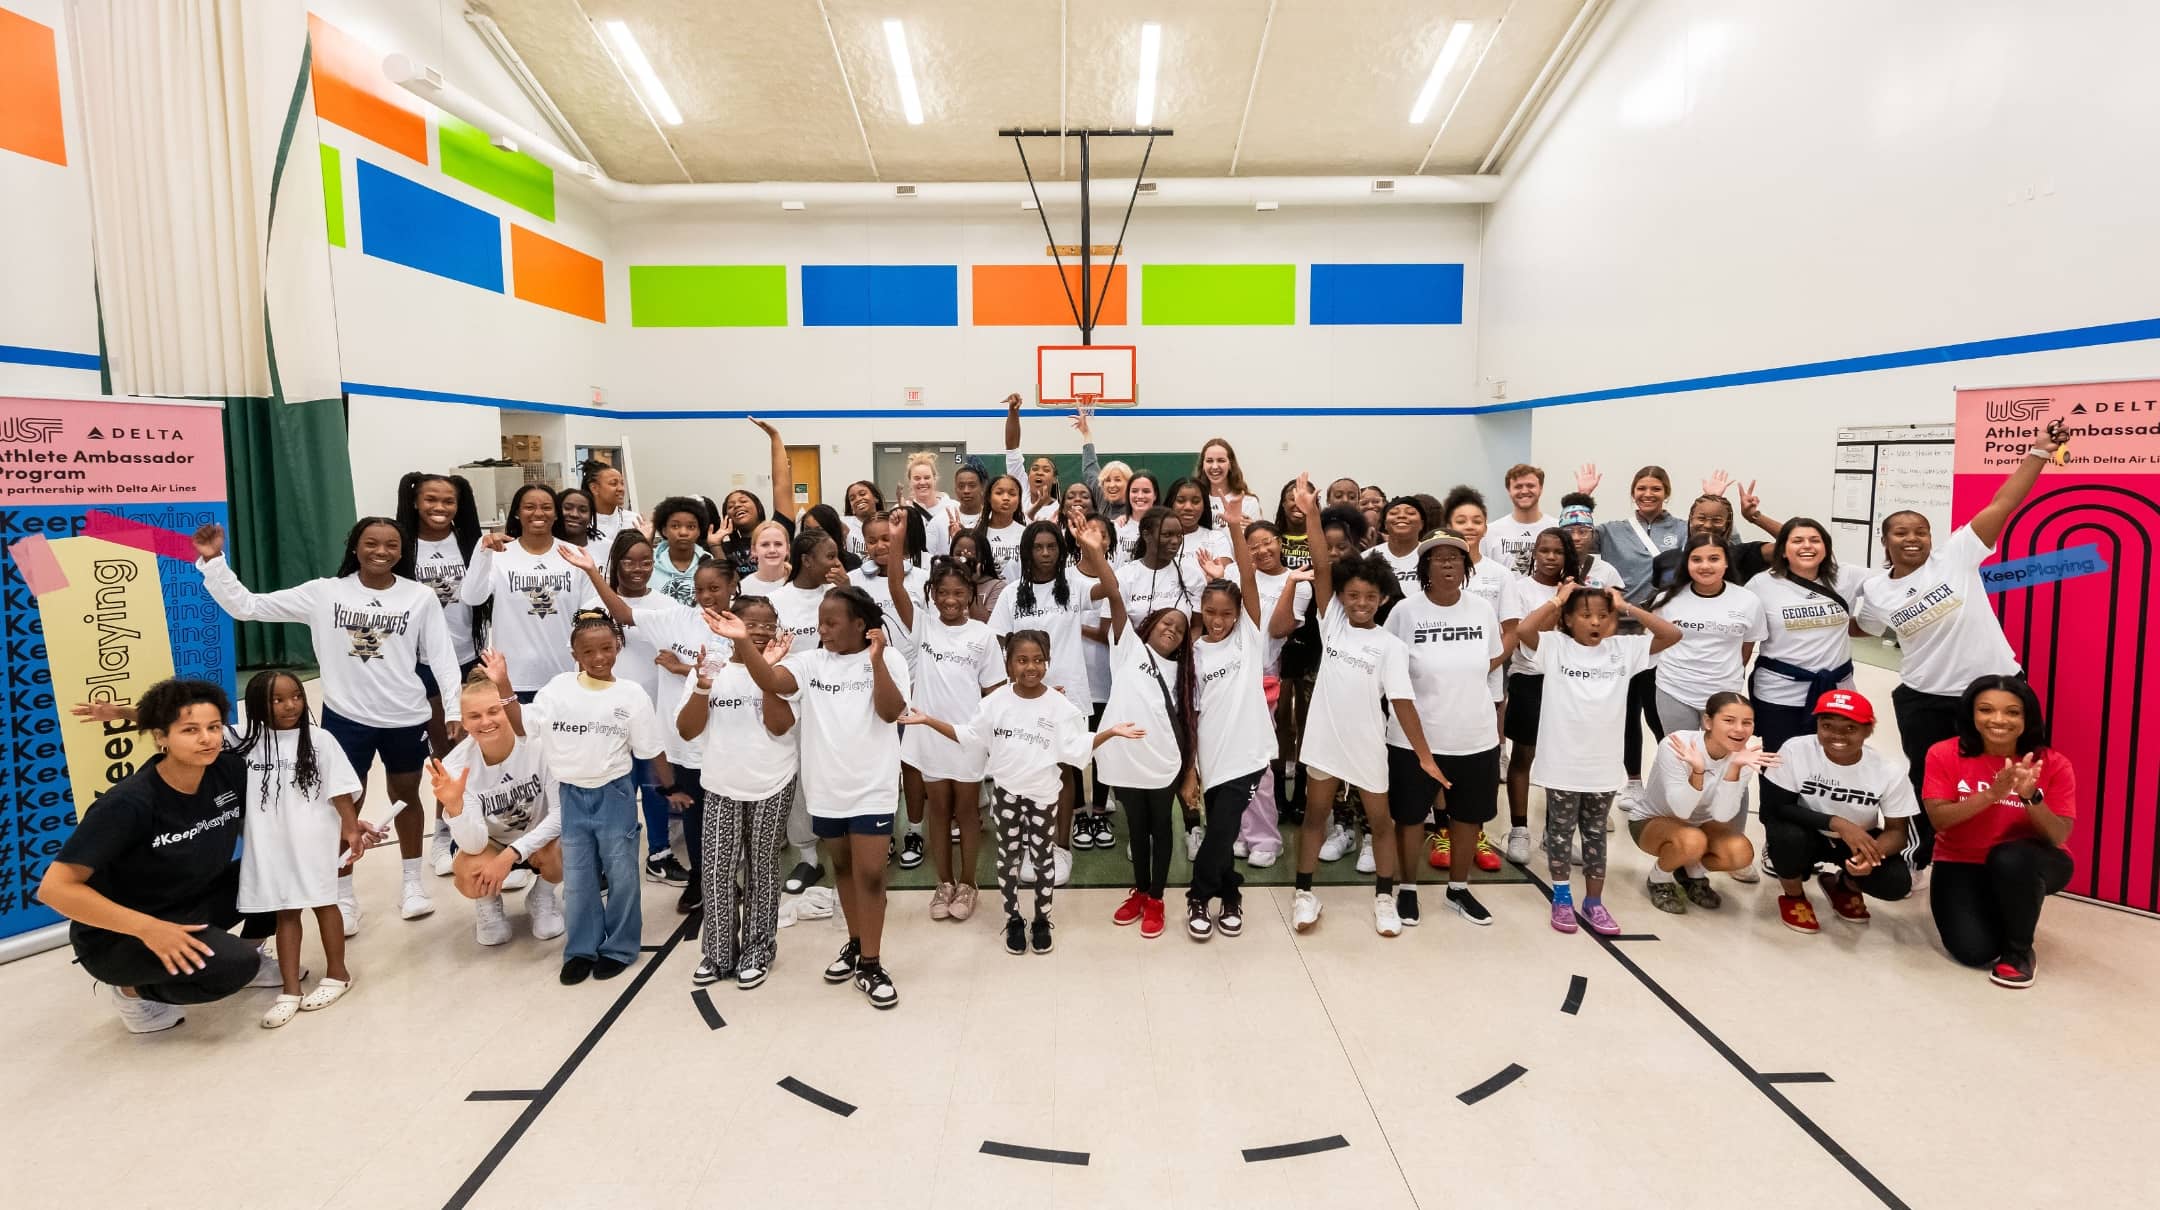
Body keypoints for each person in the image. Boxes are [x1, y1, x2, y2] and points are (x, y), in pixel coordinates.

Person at [195, 517, 461, 926]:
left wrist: (454, 709)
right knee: (345, 805)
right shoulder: (324, 593)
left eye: (391, 545)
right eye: (371, 543)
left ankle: (412, 883)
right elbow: (247, 607)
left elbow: (442, 657)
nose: (381, 551)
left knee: (406, 795)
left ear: (402, 551)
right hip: (347, 717)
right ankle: (343, 893)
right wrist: (215, 562)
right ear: (354, 546)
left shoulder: (419, 597)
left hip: (405, 715)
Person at [44, 680, 332, 1033]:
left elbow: (276, 817)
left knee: (282, 867)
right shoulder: (128, 803)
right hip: (121, 936)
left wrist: (340, 825)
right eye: (190, 730)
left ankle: (249, 952)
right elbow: (55, 889)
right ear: (160, 737)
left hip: (189, 900)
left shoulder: (227, 771)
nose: (207, 739)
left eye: (214, 727)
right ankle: (131, 991)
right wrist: (148, 929)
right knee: (233, 967)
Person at [1856, 419, 2068, 864]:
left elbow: (2004, 502)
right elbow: (1864, 628)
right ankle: (1921, 857)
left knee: (2017, 775)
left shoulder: (1956, 556)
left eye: (1920, 531)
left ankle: (2013, 858)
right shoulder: (1875, 590)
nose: (1912, 538)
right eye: (1901, 532)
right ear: (1885, 540)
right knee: (1928, 782)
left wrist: (2040, 452)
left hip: (1999, 688)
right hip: (1925, 697)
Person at [716, 588, 910, 1009]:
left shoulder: (889, 659)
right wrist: (743, 641)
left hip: (872, 789)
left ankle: (872, 964)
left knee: (871, 875)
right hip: (824, 790)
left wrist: (876, 661)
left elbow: (891, 712)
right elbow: (770, 681)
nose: (822, 630)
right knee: (843, 869)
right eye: (820, 622)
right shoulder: (809, 662)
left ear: (860, 624)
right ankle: (856, 944)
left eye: (831, 622)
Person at [903, 628, 1131, 956]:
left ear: (1047, 662)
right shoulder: (994, 703)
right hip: (1007, 796)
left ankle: (1041, 920)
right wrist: (928, 721)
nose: (1031, 667)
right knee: (1008, 858)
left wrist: (1109, 732)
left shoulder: (1059, 706)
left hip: (1043, 798)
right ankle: (1012, 918)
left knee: (1042, 860)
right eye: (1022, 660)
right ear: (1008, 664)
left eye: (1038, 660)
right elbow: (969, 735)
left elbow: (1075, 747)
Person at [1287, 475, 1444, 936]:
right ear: (1340, 597)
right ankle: (1304, 893)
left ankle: (1383, 898)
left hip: (1367, 743)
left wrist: (1425, 756)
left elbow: (1403, 703)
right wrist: (1311, 513)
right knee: (1315, 818)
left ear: (1383, 599)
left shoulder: (1390, 646)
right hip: (1324, 741)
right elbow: (1321, 563)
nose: (1360, 603)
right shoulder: (1332, 621)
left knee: (1381, 822)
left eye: (1370, 597)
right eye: (1352, 595)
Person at [1518, 582, 1683, 936]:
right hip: (1562, 762)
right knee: (1561, 830)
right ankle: (1562, 896)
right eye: (1585, 615)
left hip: (1603, 764)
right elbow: (1524, 630)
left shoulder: (1624, 649)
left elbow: (1671, 634)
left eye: (1603, 615)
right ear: (1568, 619)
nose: (1595, 622)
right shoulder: (1555, 646)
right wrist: (1558, 599)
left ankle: (1594, 901)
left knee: (1595, 832)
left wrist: (1627, 607)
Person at [527, 610, 678, 984]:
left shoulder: (631, 695)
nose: (599, 658)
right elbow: (523, 725)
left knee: (622, 874)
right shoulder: (557, 689)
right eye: (588, 652)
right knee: (579, 877)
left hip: (614, 794)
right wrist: (501, 686)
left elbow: (651, 749)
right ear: (574, 654)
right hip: (571, 795)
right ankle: (581, 949)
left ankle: (620, 947)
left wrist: (671, 787)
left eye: (607, 648)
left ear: (618, 647)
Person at [1384, 531, 1507, 927]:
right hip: (1414, 739)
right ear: (1425, 567)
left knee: (1468, 817)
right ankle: (1407, 888)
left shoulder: (1481, 610)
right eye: (1438, 558)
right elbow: (1389, 671)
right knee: (1409, 817)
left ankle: (1458, 889)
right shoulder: (1404, 612)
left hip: (1474, 736)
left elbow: (1492, 664)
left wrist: (1494, 721)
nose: (1448, 564)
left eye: (1455, 557)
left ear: (1466, 566)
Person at [1922, 676, 2076, 988]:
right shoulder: (1943, 753)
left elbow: (2057, 836)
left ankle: (2019, 952)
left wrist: (2030, 797)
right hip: (1961, 859)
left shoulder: (2053, 763)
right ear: (1971, 713)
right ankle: (2004, 909)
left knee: (2009, 858)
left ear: (2027, 717)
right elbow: (1940, 820)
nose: (1998, 720)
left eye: (2012, 712)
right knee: (1973, 951)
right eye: (1986, 709)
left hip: (2028, 861)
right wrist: (1993, 794)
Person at [229, 670, 363, 1026]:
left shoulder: (320, 739)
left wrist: (351, 829)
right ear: (258, 704)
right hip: (271, 845)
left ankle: (338, 974)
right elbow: (186, 725)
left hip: (313, 840)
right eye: (278, 700)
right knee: (286, 912)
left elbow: (340, 788)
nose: (291, 705)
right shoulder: (246, 740)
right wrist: (124, 714)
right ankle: (290, 990)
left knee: (324, 903)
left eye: (297, 696)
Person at [677, 595, 796, 989]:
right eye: (752, 623)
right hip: (721, 785)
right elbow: (687, 730)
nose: (761, 631)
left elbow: (780, 726)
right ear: (731, 625)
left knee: (762, 868)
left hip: (772, 783)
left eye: (768, 624)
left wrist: (769, 675)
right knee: (716, 871)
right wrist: (703, 686)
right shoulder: (711, 669)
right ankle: (719, 954)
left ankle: (758, 951)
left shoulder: (783, 671)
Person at [987, 519, 1115, 886]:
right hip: (1024, 696)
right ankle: (1033, 842)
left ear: (1061, 552)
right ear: (1026, 552)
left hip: (1068, 694)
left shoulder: (1072, 585)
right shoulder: (1012, 593)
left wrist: (1093, 549)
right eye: (1038, 547)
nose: (1045, 553)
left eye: (1052, 547)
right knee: (1029, 769)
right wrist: (1012, 683)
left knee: (1063, 770)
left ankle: (1060, 847)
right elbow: (998, 641)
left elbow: (1110, 587)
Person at [881, 543, 1003, 923]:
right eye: (943, 592)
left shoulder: (983, 635)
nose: (951, 600)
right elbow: (895, 587)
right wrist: (898, 542)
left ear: (970, 595)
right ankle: (944, 882)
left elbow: (994, 692)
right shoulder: (924, 626)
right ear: (932, 594)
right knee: (938, 810)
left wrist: (990, 737)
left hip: (966, 737)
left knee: (966, 811)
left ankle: (968, 883)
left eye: (959, 593)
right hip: (928, 734)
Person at [1183, 496, 1278, 940]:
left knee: (1221, 830)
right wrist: (1191, 769)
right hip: (1212, 758)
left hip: (1249, 754)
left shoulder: (1248, 639)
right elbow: (1193, 713)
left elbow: (1249, 579)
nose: (1218, 620)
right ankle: (1232, 894)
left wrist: (1236, 527)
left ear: (1238, 614)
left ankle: (1198, 896)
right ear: (1201, 611)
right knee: (1221, 832)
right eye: (1210, 612)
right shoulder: (1195, 653)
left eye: (1226, 613)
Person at [1094, 546, 1195, 941]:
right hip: (1125, 759)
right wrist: (1093, 551)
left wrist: (1190, 770)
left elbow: (1186, 721)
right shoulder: (1129, 648)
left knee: (1162, 829)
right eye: (1167, 622)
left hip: (1162, 761)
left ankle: (1156, 898)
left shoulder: (1183, 671)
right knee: (1136, 830)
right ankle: (1139, 890)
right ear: (1150, 625)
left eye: (1180, 629)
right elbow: (1115, 595)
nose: (1172, 630)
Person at [430, 656, 566, 947]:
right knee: (468, 870)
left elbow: (560, 816)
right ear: (463, 722)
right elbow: (474, 844)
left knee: (570, 847)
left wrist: (512, 854)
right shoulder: (455, 767)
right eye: (475, 716)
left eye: (494, 711)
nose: (486, 722)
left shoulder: (539, 743)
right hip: (490, 844)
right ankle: (488, 904)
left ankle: (542, 897)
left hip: (538, 839)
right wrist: (454, 807)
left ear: (507, 707)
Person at [1198, 518, 1311, 867]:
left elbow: (1275, 626)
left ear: (1280, 541)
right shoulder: (1232, 579)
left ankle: (1265, 838)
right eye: (1253, 546)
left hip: (1261, 678)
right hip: (1224, 676)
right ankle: (1238, 831)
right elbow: (1221, 606)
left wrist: (1234, 524)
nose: (1261, 550)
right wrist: (1216, 578)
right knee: (1227, 762)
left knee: (1256, 762)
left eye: (1267, 542)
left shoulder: (1297, 581)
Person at [603, 533, 712, 895]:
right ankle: (611, 862)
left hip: (660, 715)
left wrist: (681, 668)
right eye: (628, 561)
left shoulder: (666, 605)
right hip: (614, 716)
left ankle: (661, 854)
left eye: (646, 561)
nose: (638, 569)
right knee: (619, 791)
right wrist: (591, 572)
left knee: (657, 789)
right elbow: (616, 619)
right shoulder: (597, 604)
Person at [1760, 690, 1918, 934]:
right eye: (1827, 726)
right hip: (1806, 832)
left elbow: (1898, 833)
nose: (1837, 735)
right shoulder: (1795, 750)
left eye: (1850, 728)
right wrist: (1838, 823)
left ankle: (1844, 885)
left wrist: (1872, 855)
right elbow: (1777, 807)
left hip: (1856, 841)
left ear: (1868, 730)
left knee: (1896, 883)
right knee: (1785, 837)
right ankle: (1793, 896)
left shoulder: (1888, 770)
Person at [460, 486, 631, 700]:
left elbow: (592, 616)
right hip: (513, 677)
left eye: (547, 507)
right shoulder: (499, 555)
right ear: (517, 513)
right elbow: (472, 597)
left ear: (556, 514)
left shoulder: (575, 556)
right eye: (529, 507)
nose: (538, 513)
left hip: (566, 675)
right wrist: (482, 552)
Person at [396, 471, 486, 876]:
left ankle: (458, 829)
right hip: (418, 662)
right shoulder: (403, 544)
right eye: (431, 499)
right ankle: (442, 833)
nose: (439, 508)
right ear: (416, 501)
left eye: (448, 501)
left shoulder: (470, 543)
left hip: (466, 658)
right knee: (441, 752)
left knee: (464, 749)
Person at [1439, 485, 1522, 873]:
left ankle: (1477, 833)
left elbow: (1511, 629)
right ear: (1448, 525)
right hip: (1441, 685)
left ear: (1486, 526)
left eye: (1476, 520)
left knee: (1480, 760)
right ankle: (1443, 831)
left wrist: (1489, 664)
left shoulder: (1499, 575)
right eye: (1461, 520)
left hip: (1486, 682)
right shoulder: (1437, 572)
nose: (1469, 526)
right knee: (1442, 755)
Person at [1625, 694, 1771, 914]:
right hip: (1652, 820)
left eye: (1747, 723)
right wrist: (1698, 771)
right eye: (1729, 720)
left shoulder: (1745, 755)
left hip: (1702, 825)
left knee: (1740, 853)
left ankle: (1691, 872)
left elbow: (1722, 816)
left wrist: (1734, 770)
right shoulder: (1677, 744)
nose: (1739, 730)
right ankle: (1659, 878)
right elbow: (1681, 810)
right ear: (1708, 722)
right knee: (1693, 841)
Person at [1748, 517, 1870, 756]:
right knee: (1779, 762)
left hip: (1837, 692)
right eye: (1797, 540)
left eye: (1815, 540)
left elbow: (1891, 582)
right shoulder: (1761, 585)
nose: (1807, 546)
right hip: (1779, 694)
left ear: (1826, 547)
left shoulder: (1846, 576)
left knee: (1834, 761)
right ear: (1783, 550)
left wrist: (1872, 623)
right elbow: (1745, 638)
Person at [1502, 528, 1582, 865]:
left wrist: (1571, 596)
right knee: (1524, 755)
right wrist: (1558, 601)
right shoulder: (1519, 588)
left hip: (1568, 682)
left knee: (1561, 760)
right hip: (1530, 679)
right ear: (1533, 553)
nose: (1550, 557)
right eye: (1544, 550)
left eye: (1557, 551)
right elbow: (1534, 638)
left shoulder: (1578, 589)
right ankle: (1519, 829)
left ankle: (1556, 833)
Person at [1646, 534, 1767, 737]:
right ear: (1686, 563)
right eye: (1696, 559)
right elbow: (1654, 642)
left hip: (1724, 692)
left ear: (1726, 562)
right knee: (1681, 751)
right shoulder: (1666, 600)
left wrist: (1725, 672)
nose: (1705, 566)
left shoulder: (1748, 600)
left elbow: (1747, 646)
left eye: (1714, 559)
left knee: (1722, 751)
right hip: (1674, 688)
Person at [1117, 506, 1205, 622]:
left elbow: (1197, 626)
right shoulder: (1124, 576)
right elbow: (1112, 626)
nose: (1175, 541)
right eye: (1167, 535)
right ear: (1146, 535)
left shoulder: (1193, 577)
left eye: (1179, 535)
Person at [1483, 463, 1555, 575]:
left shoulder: (1557, 528)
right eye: (1518, 487)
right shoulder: (1489, 532)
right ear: (1509, 490)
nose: (1524, 491)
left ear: (1541, 488)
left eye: (1530, 486)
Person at [649, 496, 713, 606]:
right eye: (675, 526)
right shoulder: (649, 563)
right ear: (664, 530)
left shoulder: (709, 563)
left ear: (699, 531)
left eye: (691, 527)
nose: (683, 532)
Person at [581, 461, 643, 563]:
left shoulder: (634, 520)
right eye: (614, 483)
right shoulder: (581, 522)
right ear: (594, 488)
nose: (621, 489)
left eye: (622, 483)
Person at [1196, 437, 1262, 521]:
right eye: (1209, 461)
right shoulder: (1195, 501)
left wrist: (1249, 526)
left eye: (1221, 460)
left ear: (1230, 465)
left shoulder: (1248, 502)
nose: (1215, 466)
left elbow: (1257, 530)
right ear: (1203, 465)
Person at [1373, 495, 1429, 594]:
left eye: (1410, 513)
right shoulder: (1368, 557)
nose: (1401, 516)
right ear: (1385, 524)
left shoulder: (1430, 556)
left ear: (1422, 524)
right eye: (1394, 513)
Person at [1113, 472, 1162, 563]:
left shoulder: (1164, 526)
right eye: (1134, 491)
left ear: (1155, 495)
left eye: (1146, 491)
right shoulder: (1116, 526)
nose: (1140, 496)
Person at [1273, 479, 1313, 569]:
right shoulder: (1272, 538)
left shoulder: (1323, 537)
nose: (1299, 504)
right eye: (1293, 499)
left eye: (1304, 499)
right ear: (1283, 503)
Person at [841, 480, 884, 558]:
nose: (858, 499)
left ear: (876, 498)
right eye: (852, 499)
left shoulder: (887, 522)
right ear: (851, 508)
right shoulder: (843, 522)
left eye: (862, 494)